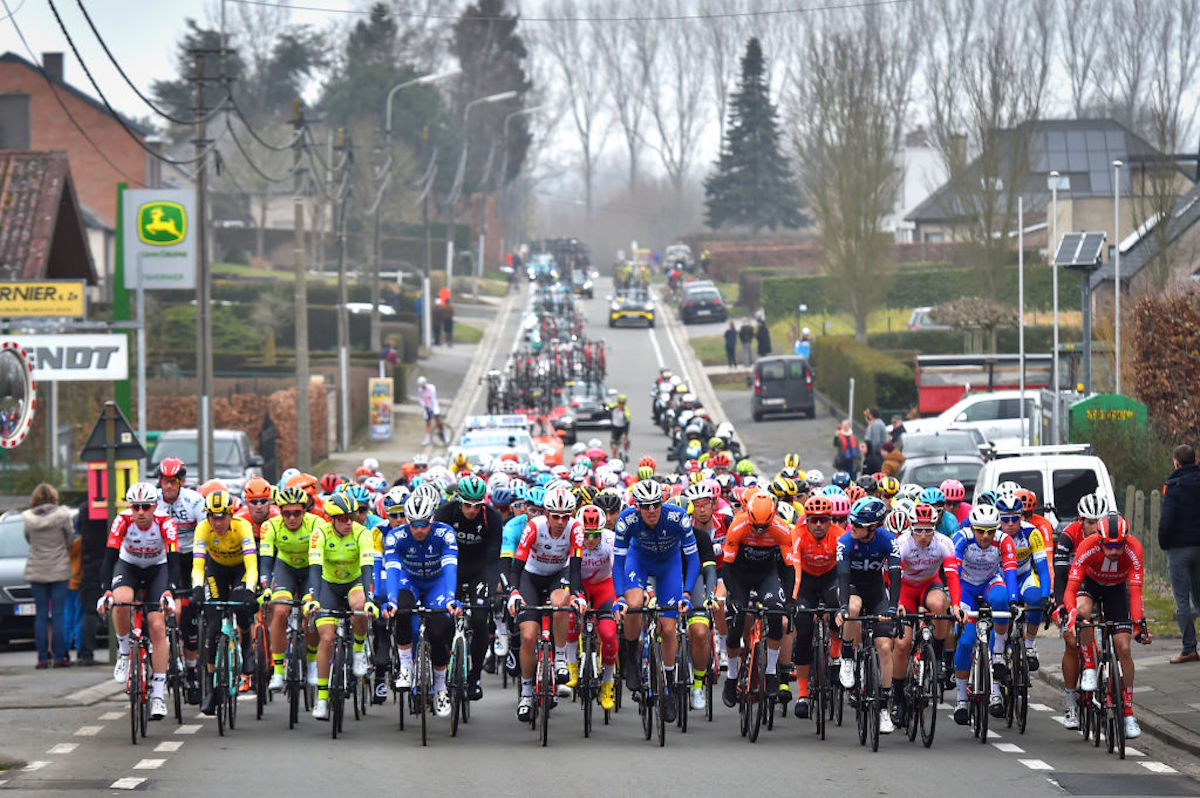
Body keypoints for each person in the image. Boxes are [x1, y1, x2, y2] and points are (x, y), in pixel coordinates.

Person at [99, 482, 181, 722]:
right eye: (136, 507)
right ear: (130, 507)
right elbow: (108, 559)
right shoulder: (122, 521)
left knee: (157, 626)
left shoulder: (165, 522)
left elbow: (174, 562)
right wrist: (105, 592)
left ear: (155, 506)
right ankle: (124, 654)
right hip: (130, 566)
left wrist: (169, 591)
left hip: (158, 569)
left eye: (146, 506)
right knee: (121, 600)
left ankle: (158, 695)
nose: (141, 511)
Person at [22, 483, 74, 669]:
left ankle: (42, 658)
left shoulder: (29, 520)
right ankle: (60, 656)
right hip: (59, 568)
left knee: (41, 615)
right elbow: (70, 538)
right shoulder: (62, 517)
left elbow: (28, 539)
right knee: (58, 614)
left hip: (36, 569)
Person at [1159, 443, 1200, 664]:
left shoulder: (1173, 485)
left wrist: (1164, 543)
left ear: (1176, 462)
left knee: (1182, 600)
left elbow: (1167, 520)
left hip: (1179, 550)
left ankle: (1189, 648)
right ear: (1195, 461)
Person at [417, 376, 444, 447]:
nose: (422, 388)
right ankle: (427, 439)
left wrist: (431, 409)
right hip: (427, 407)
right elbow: (420, 399)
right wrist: (425, 406)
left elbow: (432, 398)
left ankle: (443, 435)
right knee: (428, 423)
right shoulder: (420, 390)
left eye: (423, 386)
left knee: (438, 421)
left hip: (434, 406)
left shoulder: (431, 388)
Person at [863, 407, 887, 474]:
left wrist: (871, 452)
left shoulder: (877, 424)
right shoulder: (880, 423)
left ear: (871, 415)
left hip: (876, 454)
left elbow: (876, 441)